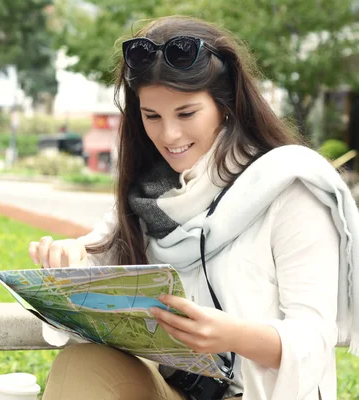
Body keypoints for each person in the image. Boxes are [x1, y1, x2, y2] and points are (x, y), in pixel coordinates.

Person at [27, 15, 359, 400]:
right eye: (152, 116)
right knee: (81, 366)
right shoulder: (152, 194)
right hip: (178, 390)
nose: (169, 135)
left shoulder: (290, 187)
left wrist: (232, 335)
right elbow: (98, 257)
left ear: (226, 104)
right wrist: (67, 260)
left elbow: (315, 336)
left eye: (186, 114)